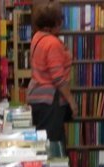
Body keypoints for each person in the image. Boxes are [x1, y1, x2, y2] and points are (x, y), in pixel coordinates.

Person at [27, 2, 77, 150]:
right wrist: (72, 102)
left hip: (37, 98)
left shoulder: (37, 38)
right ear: (55, 22)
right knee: (53, 146)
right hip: (50, 102)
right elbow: (58, 79)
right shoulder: (52, 43)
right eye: (60, 19)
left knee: (45, 143)